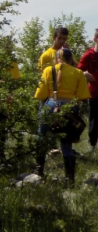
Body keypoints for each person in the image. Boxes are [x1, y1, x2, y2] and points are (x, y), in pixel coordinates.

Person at [34, 48, 90, 184]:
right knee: (66, 142)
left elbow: (40, 94)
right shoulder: (78, 73)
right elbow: (83, 96)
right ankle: (70, 179)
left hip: (50, 105)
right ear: (71, 59)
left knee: (41, 136)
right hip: (69, 108)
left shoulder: (48, 70)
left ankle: (39, 169)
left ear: (57, 59)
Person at [77, 29, 98, 152]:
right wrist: (85, 74)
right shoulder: (88, 55)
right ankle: (93, 146)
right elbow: (79, 70)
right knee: (94, 120)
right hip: (95, 92)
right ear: (95, 39)